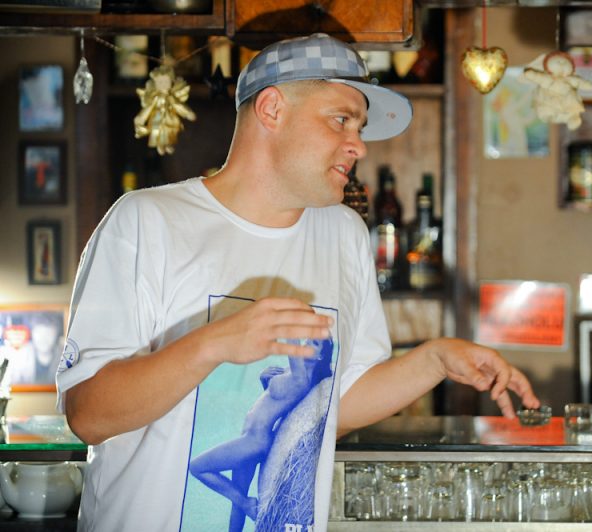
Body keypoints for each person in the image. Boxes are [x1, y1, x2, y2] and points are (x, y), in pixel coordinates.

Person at [56, 33, 539, 532]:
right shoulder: (146, 220)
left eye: (360, 127)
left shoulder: (344, 232)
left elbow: (331, 406)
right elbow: (89, 415)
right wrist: (214, 343)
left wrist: (436, 359)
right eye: (341, 119)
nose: (358, 145)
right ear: (272, 109)